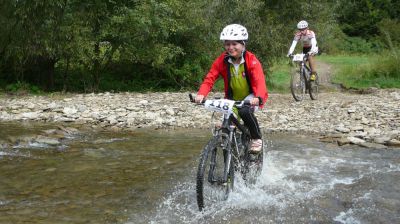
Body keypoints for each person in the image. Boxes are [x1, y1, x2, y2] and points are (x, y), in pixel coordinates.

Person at [195, 24, 268, 154]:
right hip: (232, 99)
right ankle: (229, 170)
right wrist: (201, 94)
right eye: (227, 44)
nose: (230, 47)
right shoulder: (222, 60)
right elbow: (210, 78)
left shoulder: (251, 60)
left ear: (243, 44)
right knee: (226, 130)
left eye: (234, 44)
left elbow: (259, 80)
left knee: (245, 112)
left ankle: (256, 138)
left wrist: (258, 97)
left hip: (251, 97)